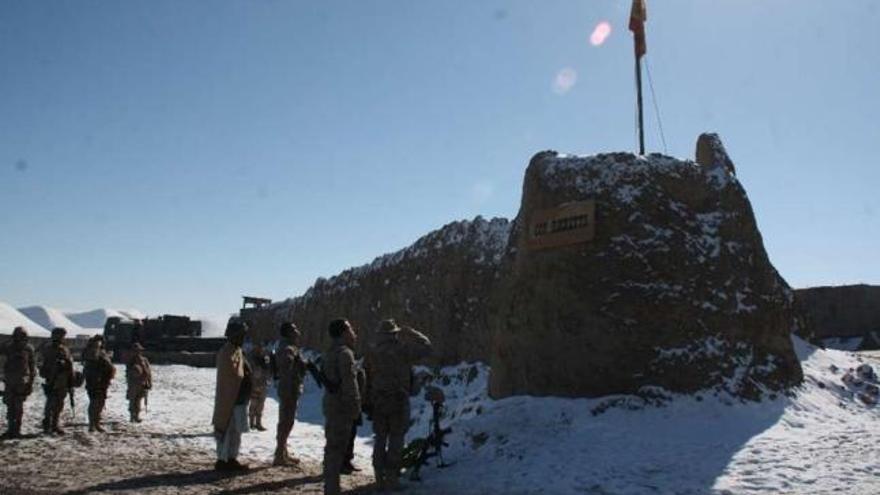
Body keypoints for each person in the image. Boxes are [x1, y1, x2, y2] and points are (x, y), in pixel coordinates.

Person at [364, 319, 432, 491]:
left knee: (379, 439)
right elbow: (427, 346)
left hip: (378, 402)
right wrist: (412, 332)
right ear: (394, 334)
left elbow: (367, 380)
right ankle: (392, 479)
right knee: (396, 440)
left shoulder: (372, 353)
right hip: (398, 402)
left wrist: (368, 403)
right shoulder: (403, 350)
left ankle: (379, 478)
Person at [322, 318, 361, 495]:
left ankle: (330, 488)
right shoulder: (345, 354)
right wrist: (355, 409)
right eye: (351, 329)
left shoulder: (330, 352)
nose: (354, 333)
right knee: (336, 452)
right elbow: (349, 385)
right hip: (341, 408)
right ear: (344, 332)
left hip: (332, 406)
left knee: (332, 450)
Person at [212, 321, 252, 472]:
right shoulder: (225, 353)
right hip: (229, 398)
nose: (243, 338)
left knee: (236, 431)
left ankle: (232, 458)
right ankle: (223, 460)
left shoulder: (238, 351)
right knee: (227, 430)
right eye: (241, 335)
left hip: (239, 399)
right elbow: (231, 377)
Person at [273, 322, 307, 466]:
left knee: (287, 421)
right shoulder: (287, 348)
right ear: (288, 333)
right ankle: (279, 455)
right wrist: (299, 365)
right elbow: (286, 366)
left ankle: (282, 452)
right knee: (286, 421)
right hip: (289, 388)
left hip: (289, 387)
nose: (297, 332)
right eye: (294, 330)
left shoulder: (288, 346)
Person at [2, 327, 36, 439]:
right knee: (10, 406)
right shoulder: (8, 347)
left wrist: (30, 382)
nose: (19, 338)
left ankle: (16, 429)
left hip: (21, 383)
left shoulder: (28, 349)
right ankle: (11, 429)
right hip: (9, 381)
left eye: (21, 336)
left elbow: (32, 367)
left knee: (18, 407)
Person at [39, 327, 74, 435]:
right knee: (50, 403)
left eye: (62, 335)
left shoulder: (64, 349)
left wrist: (70, 378)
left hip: (63, 380)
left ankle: (55, 424)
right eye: (59, 335)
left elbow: (69, 363)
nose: (61, 337)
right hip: (52, 380)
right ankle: (47, 424)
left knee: (59, 404)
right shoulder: (48, 348)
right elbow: (41, 363)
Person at [82, 335, 116, 432]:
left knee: (100, 402)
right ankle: (92, 424)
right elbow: (93, 362)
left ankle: (96, 423)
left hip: (103, 382)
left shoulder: (102, 352)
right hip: (94, 381)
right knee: (94, 402)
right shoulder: (92, 352)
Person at [247, 341, 271, 431]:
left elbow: (268, 370)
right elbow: (252, 371)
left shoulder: (264, 359)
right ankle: (251, 423)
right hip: (254, 384)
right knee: (253, 404)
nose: (261, 349)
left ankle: (258, 423)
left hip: (263, 384)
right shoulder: (251, 358)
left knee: (261, 404)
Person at [126, 343, 152, 423]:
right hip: (133, 383)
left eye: (139, 350)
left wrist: (149, 382)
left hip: (142, 383)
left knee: (139, 400)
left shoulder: (144, 360)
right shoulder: (131, 360)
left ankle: (137, 416)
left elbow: (148, 371)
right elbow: (129, 372)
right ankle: (132, 416)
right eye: (136, 350)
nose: (138, 352)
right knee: (132, 400)